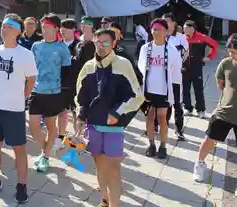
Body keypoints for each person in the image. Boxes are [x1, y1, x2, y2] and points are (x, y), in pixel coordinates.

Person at [76, 28, 144, 207]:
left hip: (114, 127)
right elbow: (81, 96)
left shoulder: (123, 64)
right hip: (93, 125)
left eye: (106, 42)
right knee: (99, 165)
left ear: (114, 43)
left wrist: (117, 112)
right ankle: (104, 198)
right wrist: (80, 115)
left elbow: (137, 96)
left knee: (113, 169)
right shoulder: (88, 66)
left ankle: (114, 204)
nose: (101, 46)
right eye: (98, 43)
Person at [0, 14, 37, 203]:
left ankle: (22, 184)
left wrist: (21, 97)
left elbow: (31, 80)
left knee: (19, 148)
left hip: (15, 110)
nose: (4, 30)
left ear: (18, 31)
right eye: (2, 26)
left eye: (9, 27)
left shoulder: (25, 54)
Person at [28, 14, 71, 173]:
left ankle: (45, 156)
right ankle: (46, 150)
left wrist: (65, 97)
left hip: (54, 93)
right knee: (33, 127)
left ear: (55, 28)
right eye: (42, 27)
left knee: (51, 126)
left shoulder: (62, 48)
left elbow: (67, 74)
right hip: (36, 91)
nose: (43, 30)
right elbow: (31, 70)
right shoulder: (36, 46)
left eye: (46, 27)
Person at [193, 34, 237, 182]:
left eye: (235, 52)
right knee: (210, 139)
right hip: (224, 112)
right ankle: (199, 164)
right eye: (230, 52)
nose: (232, 55)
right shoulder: (225, 64)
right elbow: (221, 85)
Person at [138, 19, 182, 158]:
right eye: (154, 29)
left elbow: (176, 71)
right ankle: (151, 144)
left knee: (162, 118)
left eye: (159, 29)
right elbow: (140, 68)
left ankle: (163, 146)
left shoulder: (171, 49)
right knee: (149, 118)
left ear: (165, 31)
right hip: (148, 90)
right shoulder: (145, 48)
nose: (156, 32)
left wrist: (176, 95)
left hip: (164, 90)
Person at [183, 20, 218, 118]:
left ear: (192, 28)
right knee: (185, 88)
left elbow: (214, 44)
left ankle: (201, 110)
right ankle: (187, 108)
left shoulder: (202, 37)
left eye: (186, 28)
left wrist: (209, 57)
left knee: (198, 89)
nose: (184, 30)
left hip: (197, 67)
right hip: (184, 67)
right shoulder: (182, 38)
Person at [162, 13, 189, 140]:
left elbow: (186, 53)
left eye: (168, 21)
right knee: (164, 102)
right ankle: (163, 126)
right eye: (163, 21)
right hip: (162, 74)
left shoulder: (180, 38)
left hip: (176, 75)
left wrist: (178, 63)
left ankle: (179, 130)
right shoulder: (160, 37)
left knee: (177, 103)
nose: (166, 23)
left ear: (173, 22)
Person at [58, 18, 79, 139]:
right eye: (61, 27)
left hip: (76, 83)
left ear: (73, 29)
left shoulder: (80, 46)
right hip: (61, 83)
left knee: (76, 112)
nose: (62, 30)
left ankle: (77, 136)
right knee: (62, 112)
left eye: (66, 27)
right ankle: (60, 136)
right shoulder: (57, 45)